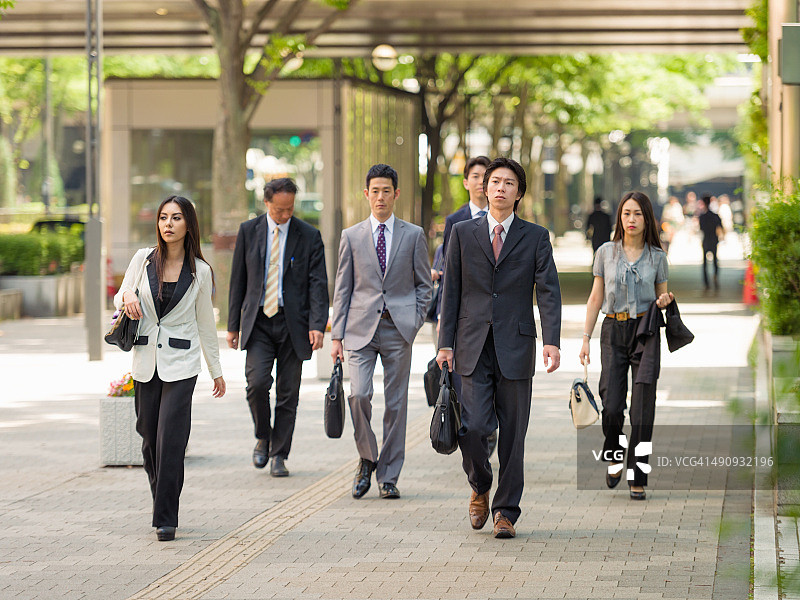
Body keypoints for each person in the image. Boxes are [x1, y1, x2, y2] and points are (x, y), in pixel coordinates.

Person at [436, 157, 562, 539]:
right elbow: (451, 291)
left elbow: (549, 292)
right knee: (472, 428)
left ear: (519, 193)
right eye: (495, 182)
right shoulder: (462, 232)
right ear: (484, 188)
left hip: (517, 345)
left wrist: (552, 340)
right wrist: (444, 344)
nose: (501, 188)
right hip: (471, 345)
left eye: (509, 183)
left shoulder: (536, 236)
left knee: (514, 434)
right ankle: (479, 482)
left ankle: (505, 511)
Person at [115, 195, 226, 542]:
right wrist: (127, 297)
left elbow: (205, 324)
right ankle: (162, 498)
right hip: (146, 362)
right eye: (163, 217)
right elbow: (121, 294)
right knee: (148, 439)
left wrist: (216, 370)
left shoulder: (201, 271)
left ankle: (166, 518)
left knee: (171, 440)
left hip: (182, 364)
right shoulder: (141, 259)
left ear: (188, 224)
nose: (168, 224)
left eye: (176, 218)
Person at [331, 164, 432, 500]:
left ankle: (388, 475)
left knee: (396, 404)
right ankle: (367, 457)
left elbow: (424, 285)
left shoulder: (413, 234)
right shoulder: (352, 235)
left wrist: (415, 320)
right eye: (374, 191)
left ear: (396, 194)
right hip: (359, 330)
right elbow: (343, 288)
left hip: (398, 330)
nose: (380, 197)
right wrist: (336, 336)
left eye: (386, 190)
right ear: (366, 194)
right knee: (358, 395)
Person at [227, 178, 329, 477]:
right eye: (280, 210)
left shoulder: (308, 235)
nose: (285, 215)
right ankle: (263, 435)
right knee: (256, 384)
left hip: (293, 323)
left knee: (288, 393)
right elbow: (239, 280)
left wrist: (317, 325)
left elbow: (318, 284)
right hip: (258, 321)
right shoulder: (249, 231)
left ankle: (279, 454)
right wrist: (233, 326)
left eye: (290, 209)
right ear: (267, 203)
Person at [579, 191, 673, 502]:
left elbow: (662, 296)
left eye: (638, 214)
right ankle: (615, 452)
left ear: (647, 219)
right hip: (612, 330)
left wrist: (664, 301)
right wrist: (585, 338)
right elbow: (595, 298)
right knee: (612, 404)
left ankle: (638, 474)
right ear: (619, 217)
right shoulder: (606, 252)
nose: (631, 220)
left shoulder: (657, 257)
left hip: (645, 332)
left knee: (643, 408)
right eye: (626, 213)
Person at [438, 155, 498, 455]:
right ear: (467, 182)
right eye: (475, 176)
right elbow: (450, 273)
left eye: (486, 176)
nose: (481, 182)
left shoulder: (506, 218)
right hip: (467, 320)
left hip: (499, 321)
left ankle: (488, 430)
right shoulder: (455, 222)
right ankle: (478, 436)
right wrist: (444, 328)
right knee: (468, 389)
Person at [697, 194, 723, 291]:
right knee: (715, 260)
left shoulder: (702, 217)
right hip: (714, 239)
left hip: (706, 240)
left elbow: (701, 228)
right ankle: (715, 276)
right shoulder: (715, 216)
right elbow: (721, 226)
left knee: (705, 263)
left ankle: (706, 282)